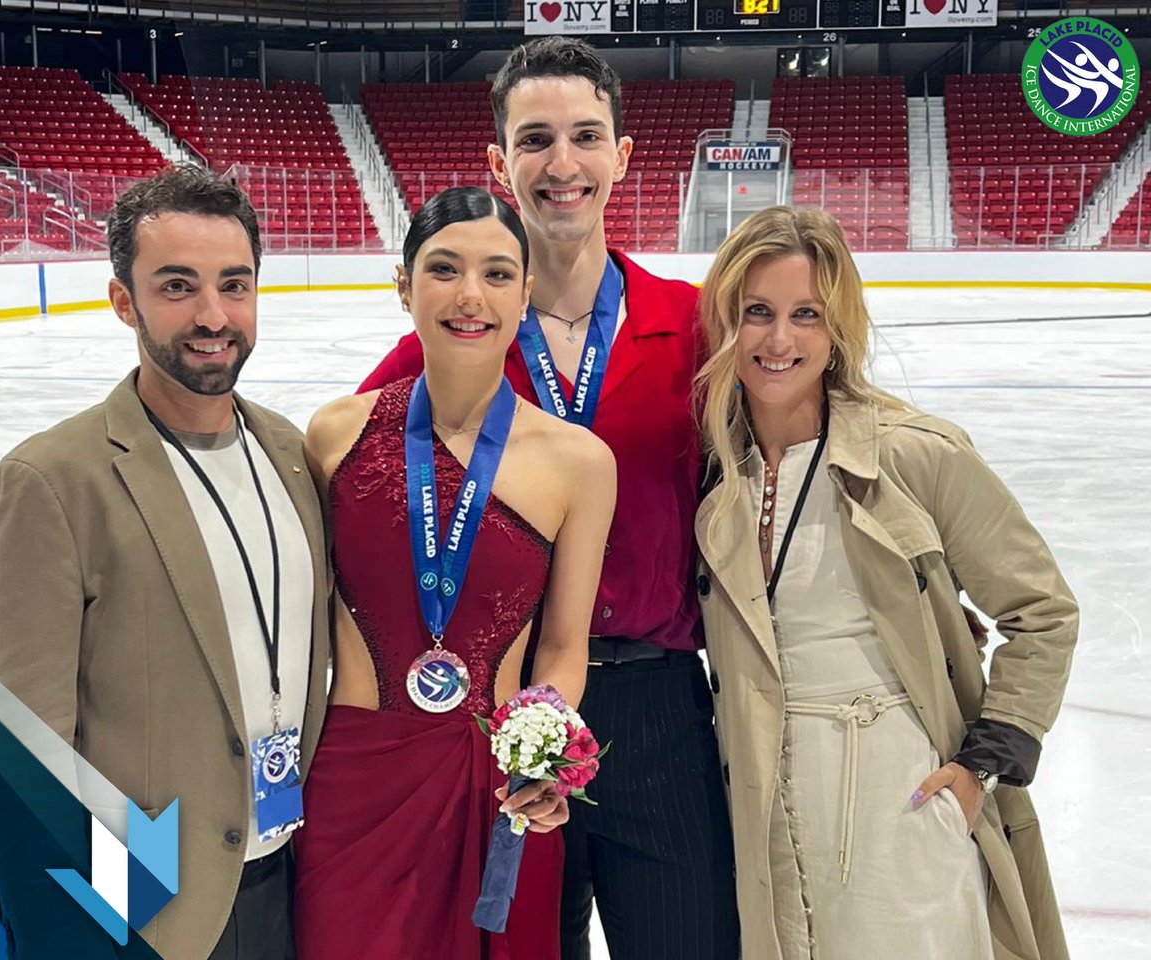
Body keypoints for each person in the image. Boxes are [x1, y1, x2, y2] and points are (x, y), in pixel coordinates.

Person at [358, 38, 740, 960]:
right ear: (499, 163)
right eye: (535, 140)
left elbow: (785, 470)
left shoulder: (694, 326)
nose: (561, 165)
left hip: (661, 708)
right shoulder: (454, 335)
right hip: (503, 712)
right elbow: (347, 478)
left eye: (584, 137)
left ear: (622, 155)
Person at [693, 205, 1077, 960]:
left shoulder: (913, 455)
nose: (779, 340)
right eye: (758, 313)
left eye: (807, 315)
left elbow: (1042, 611)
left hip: (894, 797)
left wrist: (980, 765)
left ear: (837, 330)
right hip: (764, 792)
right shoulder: (714, 476)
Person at [0, 165, 330, 959]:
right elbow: (16, 748)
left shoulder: (293, 455)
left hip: (285, 889)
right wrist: (105, 919)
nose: (212, 315)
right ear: (123, 301)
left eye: (235, 285)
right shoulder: (54, 483)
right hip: (146, 915)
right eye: (177, 286)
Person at [293, 186, 616, 960]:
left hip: (500, 789)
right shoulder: (334, 434)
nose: (471, 296)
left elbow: (564, 647)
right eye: (444, 269)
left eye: (499, 274)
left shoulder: (580, 463)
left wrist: (542, 760)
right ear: (403, 285)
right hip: (353, 783)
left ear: (526, 291)